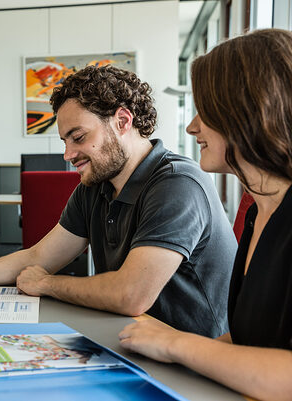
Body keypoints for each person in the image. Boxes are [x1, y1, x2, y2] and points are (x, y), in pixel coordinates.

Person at [0, 65, 237, 337]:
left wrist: (47, 284)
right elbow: (37, 256)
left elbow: (130, 294)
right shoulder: (96, 185)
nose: (68, 154)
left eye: (78, 137)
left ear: (122, 122)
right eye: (65, 140)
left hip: (194, 360)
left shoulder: (177, 184)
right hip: (134, 338)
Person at [118, 29, 292, 400]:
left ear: (248, 112)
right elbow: (251, 340)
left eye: (206, 111)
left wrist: (176, 345)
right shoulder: (256, 209)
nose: (191, 126)